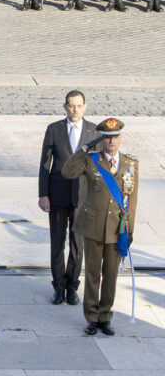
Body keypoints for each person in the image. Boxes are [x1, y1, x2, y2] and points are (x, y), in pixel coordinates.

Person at [62, 118, 139, 337]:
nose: (111, 142)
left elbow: (131, 199)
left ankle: (106, 316)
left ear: (121, 138)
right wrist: (83, 149)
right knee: (93, 274)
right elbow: (67, 172)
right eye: (106, 138)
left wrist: (129, 229)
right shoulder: (91, 160)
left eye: (115, 137)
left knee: (111, 274)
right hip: (94, 226)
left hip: (117, 228)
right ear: (102, 140)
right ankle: (92, 317)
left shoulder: (130, 164)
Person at [38, 90, 97, 306]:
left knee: (77, 244)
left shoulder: (93, 131)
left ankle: (72, 286)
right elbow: (45, 165)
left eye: (79, 105)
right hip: (57, 195)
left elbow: (98, 168)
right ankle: (59, 286)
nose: (75, 110)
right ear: (65, 107)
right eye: (71, 106)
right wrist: (43, 194)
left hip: (83, 197)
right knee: (57, 244)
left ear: (85, 106)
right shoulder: (54, 129)